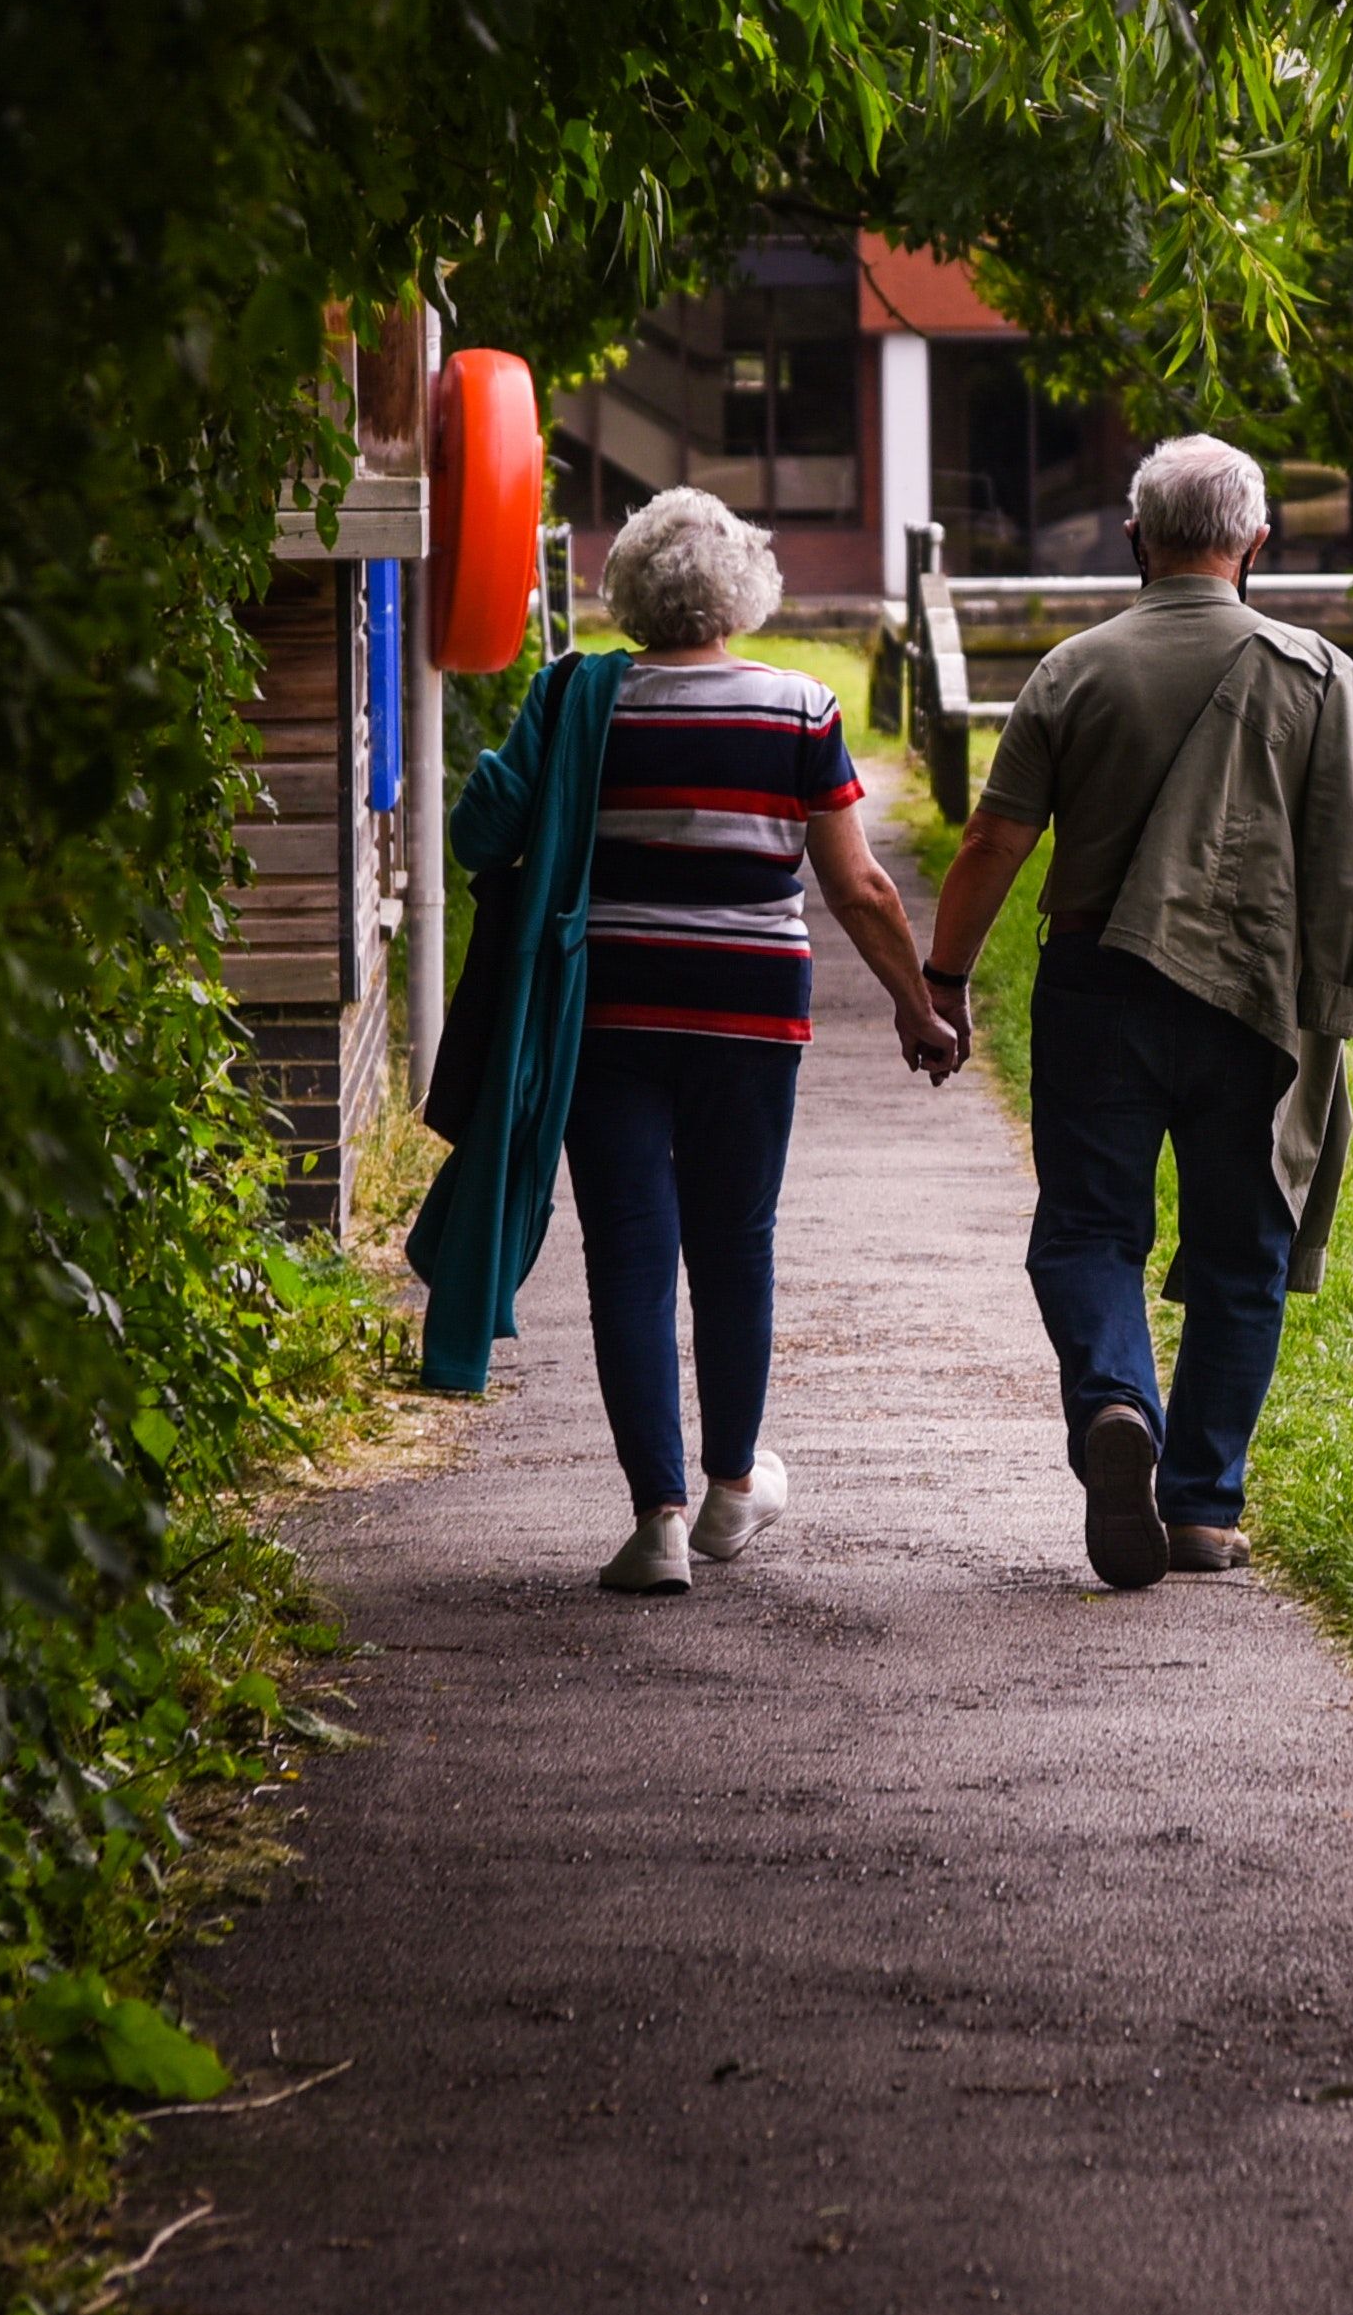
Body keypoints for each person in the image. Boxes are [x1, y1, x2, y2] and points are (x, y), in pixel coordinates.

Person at [401, 487, 961, 1596]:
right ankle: (732, 1489)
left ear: (631, 593)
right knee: (734, 1246)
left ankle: (656, 1518)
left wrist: (521, 757)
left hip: (607, 1016)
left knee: (629, 1257)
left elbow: (479, 831)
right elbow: (856, 884)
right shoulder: (800, 707)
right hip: (753, 1019)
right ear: (744, 592)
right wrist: (919, 1005)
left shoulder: (576, 698)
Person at [920, 435, 1353, 1589]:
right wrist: (1331, 985)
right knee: (1240, 1248)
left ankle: (1115, 1399)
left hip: (1097, 984)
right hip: (1253, 1000)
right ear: (1258, 541)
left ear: (1134, 537)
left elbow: (993, 838)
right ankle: (1201, 1508)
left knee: (1090, 1227)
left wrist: (942, 980)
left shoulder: (1074, 668)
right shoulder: (1315, 676)